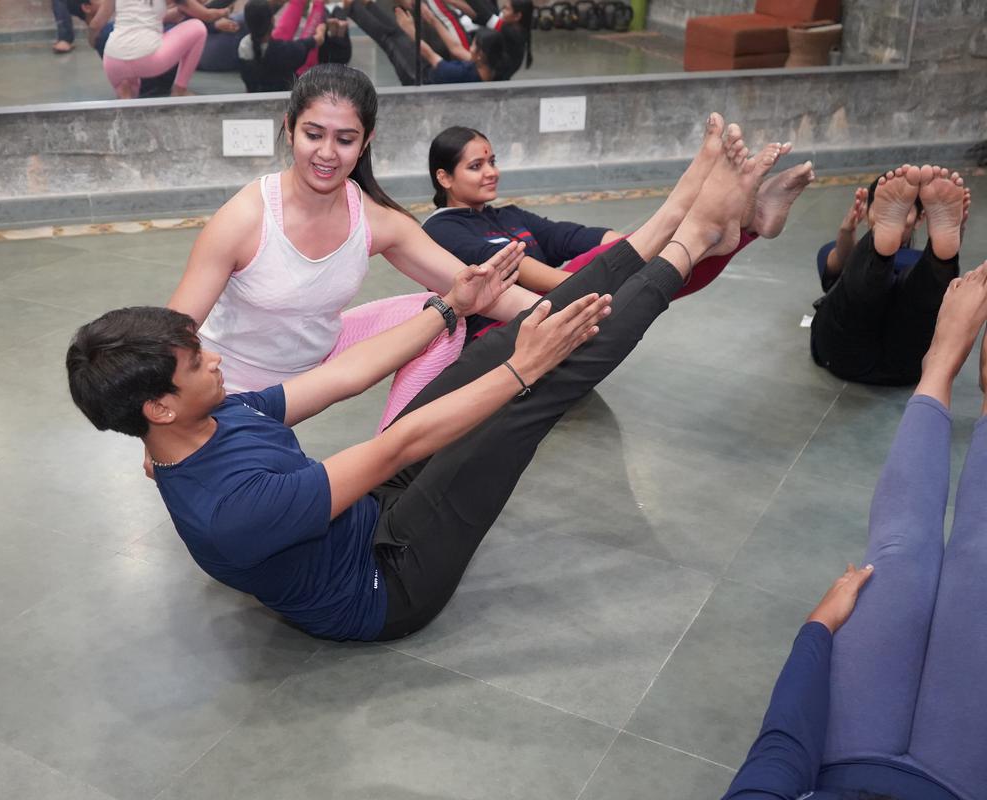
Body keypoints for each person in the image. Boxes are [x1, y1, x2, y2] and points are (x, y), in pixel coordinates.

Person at [68, 123, 769, 642]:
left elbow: (343, 376)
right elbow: (395, 448)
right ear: (159, 406)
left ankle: (673, 221)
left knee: (486, 358)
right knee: (532, 390)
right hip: (388, 582)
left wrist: (449, 309)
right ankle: (690, 239)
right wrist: (523, 369)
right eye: (197, 363)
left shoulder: (210, 421)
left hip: (363, 515)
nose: (215, 359)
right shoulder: (232, 506)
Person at [724, 261, 987, 800]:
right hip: (959, 782)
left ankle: (938, 364)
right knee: (981, 563)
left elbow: (778, 755)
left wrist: (817, 630)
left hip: (844, 757)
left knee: (900, 552)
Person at [167, 64, 545, 434]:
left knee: (443, 317)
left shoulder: (374, 219)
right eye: (313, 135)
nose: (327, 153)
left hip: (317, 368)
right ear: (289, 127)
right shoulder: (244, 219)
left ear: (366, 142)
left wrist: (564, 313)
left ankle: (394, 454)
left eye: (345, 140)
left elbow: (474, 289)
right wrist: (162, 433)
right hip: (232, 394)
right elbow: (169, 336)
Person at [422, 123, 815, 336]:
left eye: (492, 160)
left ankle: (743, 224)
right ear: (444, 177)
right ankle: (706, 211)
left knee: (654, 265)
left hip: (560, 310)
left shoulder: (509, 215)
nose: (492, 171)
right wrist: (600, 279)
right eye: (476, 166)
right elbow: (511, 272)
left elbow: (577, 236)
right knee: (631, 268)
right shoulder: (440, 231)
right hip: (502, 335)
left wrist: (633, 250)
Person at [811, 164, 971, 386]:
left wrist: (954, 235)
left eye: (905, 211)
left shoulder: (918, 264)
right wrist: (846, 231)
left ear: (920, 219)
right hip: (907, 365)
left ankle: (931, 254)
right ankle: (936, 257)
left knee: (919, 288)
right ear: (867, 214)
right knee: (880, 285)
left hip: (844, 356)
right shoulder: (853, 257)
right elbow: (832, 274)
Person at [346, 0, 510, 85]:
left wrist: (411, 31)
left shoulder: (461, 74)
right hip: (431, 67)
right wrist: (430, 18)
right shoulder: (488, 67)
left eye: (474, 45)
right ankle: (365, 4)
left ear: (481, 54)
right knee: (397, 33)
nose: (471, 47)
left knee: (391, 38)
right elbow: (456, 48)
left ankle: (352, 7)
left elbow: (430, 55)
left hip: (419, 77)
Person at [91, 0, 212, 98]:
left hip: (113, 61)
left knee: (108, 34)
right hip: (149, 60)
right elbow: (205, 15)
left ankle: (125, 89)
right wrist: (224, 12)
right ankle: (180, 89)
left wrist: (92, 42)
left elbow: (95, 25)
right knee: (198, 27)